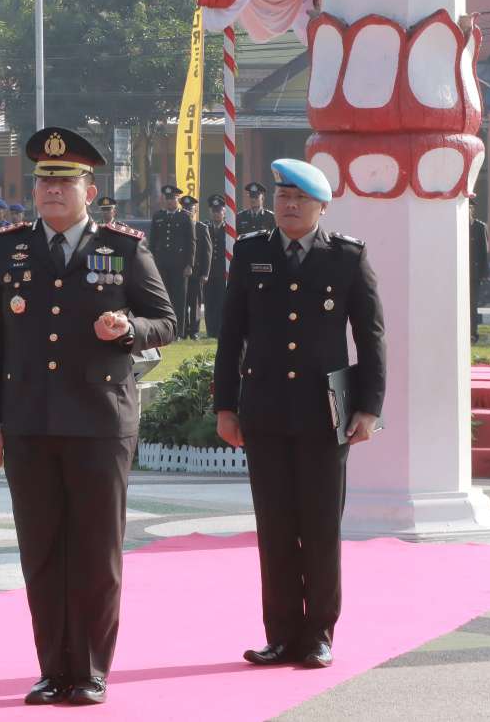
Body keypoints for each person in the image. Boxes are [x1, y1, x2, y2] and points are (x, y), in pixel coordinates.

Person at [0, 126, 176, 707]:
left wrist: (128, 330)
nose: (52, 190)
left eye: (64, 181)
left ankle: (88, 670)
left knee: (94, 550)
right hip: (29, 422)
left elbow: (165, 321)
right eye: (43, 181)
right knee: (41, 551)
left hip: (99, 422)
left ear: (90, 188)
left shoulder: (124, 248)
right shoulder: (6, 248)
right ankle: (51, 668)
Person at [214, 158, 385, 671]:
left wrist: (368, 409)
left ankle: (318, 635)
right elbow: (231, 338)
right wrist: (225, 406)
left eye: (299, 199)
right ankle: (281, 633)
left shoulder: (347, 257)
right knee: (274, 524)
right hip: (263, 408)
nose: (288, 206)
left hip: (322, 411)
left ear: (321, 206)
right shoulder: (250, 253)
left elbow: (370, 338)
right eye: (282, 196)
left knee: (318, 524)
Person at [149, 184, 196, 331]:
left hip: (180, 265)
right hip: (162, 264)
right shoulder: (158, 217)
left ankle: (179, 330)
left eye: (173, 199)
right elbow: (153, 242)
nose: (169, 202)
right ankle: (165, 328)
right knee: (164, 297)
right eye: (167, 199)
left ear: (178, 199)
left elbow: (191, 242)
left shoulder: (185, 217)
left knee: (179, 298)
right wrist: (151, 263)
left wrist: (189, 264)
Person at [180, 195, 212, 339]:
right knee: (182, 302)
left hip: (197, 272)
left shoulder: (201, 228)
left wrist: (205, 273)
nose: (187, 211)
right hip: (180, 272)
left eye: (190, 209)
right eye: (185, 208)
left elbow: (207, 252)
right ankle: (183, 329)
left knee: (195, 303)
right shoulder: (178, 227)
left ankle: (194, 330)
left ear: (195, 210)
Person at [204, 193, 228, 338]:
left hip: (223, 271)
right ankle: (210, 330)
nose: (216, 213)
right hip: (209, 271)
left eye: (219, 210)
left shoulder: (230, 229)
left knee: (222, 301)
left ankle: (220, 329)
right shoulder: (206, 227)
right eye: (214, 211)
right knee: (209, 302)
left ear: (224, 211)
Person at [469, 197, 489, 344]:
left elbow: (484, 252)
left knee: (472, 304)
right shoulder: (457, 225)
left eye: (470, 208)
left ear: (472, 209)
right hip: (459, 274)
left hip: (474, 273)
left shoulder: (479, 227)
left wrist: (484, 273)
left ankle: (472, 333)